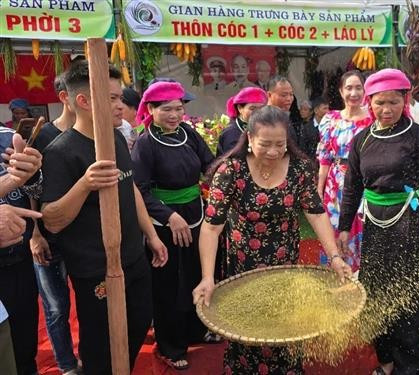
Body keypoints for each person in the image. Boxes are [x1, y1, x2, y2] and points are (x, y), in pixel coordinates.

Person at [192, 105, 351, 374]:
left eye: (280, 144)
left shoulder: (299, 169)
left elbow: (316, 213)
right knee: (247, 332)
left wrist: (334, 257)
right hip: (243, 268)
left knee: (285, 329)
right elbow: (211, 228)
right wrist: (208, 277)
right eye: (265, 144)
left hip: (285, 265)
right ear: (250, 140)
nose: (274, 151)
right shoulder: (231, 171)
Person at [40, 61, 168, 374]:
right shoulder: (61, 152)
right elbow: (52, 219)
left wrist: (150, 235)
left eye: (119, 97)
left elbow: (131, 188)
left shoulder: (116, 139)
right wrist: (85, 184)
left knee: (138, 323)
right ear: (83, 101)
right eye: (111, 98)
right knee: (100, 348)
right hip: (95, 269)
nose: (120, 106)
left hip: (133, 258)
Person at [339, 69, 419, 375]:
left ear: (406, 100)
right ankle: (385, 360)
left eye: (393, 102)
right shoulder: (361, 141)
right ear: (369, 103)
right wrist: (344, 228)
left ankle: (408, 368)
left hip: (410, 225)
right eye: (379, 103)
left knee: (409, 298)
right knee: (375, 294)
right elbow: (352, 187)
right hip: (375, 228)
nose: (386, 110)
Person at [131, 80, 215, 370]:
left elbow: (210, 164)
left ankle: (196, 329)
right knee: (168, 283)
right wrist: (168, 215)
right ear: (151, 109)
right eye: (167, 109)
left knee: (195, 273)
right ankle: (169, 344)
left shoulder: (188, 134)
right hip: (163, 221)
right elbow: (138, 189)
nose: (175, 115)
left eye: (179, 109)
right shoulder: (145, 143)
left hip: (195, 213)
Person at [28, 73, 81, 375]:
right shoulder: (45, 136)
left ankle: (88, 354)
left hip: (82, 236)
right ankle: (67, 365)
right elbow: (30, 187)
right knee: (57, 307)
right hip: (48, 236)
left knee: (89, 302)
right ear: (65, 97)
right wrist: (35, 233)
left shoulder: (93, 134)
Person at [317, 71, 372, 272]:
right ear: (341, 91)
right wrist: (319, 190)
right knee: (333, 232)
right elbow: (324, 159)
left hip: (364, 184)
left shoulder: (372, 121)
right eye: (349, 88)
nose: (354, 93)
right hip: (334, 188)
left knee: (362, 232)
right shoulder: (330, 120)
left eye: (358, 87)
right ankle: (335, 277)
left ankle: (361, 280)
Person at [0, 125, 43, 375]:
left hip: (19, 259)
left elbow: (39, 192)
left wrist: (32, 174)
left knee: (24, 343)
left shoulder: (7, 138)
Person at [216, 87, 268, 157]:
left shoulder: (268, 128)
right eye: (252, 108)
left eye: (261, 108)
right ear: (240, 108)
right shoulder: (230, 134)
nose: (258, 113)